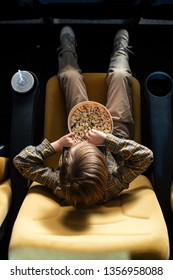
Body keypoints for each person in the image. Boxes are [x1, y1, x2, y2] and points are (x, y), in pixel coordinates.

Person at [13, 26, 153, 207]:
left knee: (69, 76)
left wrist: (58, 145)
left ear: (62, 173)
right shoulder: (112, 185)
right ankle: (120, 51)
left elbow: (21, 161)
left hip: (76, 131)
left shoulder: (60, 185)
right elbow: (145, 156)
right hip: (116, 135)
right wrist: (107, 140)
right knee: (119, 76)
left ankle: (67, 51)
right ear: (105, 173)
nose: (86, 142)